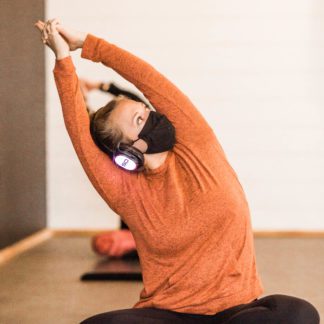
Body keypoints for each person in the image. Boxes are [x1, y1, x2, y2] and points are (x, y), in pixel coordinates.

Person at [34, 19, 320, 324]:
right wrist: (63, 59)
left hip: (239, 312)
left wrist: (91, 44)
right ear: (127, 151)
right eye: (138, 121)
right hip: (171, 315)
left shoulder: (197, 146)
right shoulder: (125, 190)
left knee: (299, 313)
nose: (150, 114)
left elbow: (151, 81)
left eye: (144, 110)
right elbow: (80, 133)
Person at [80, 78, 142, 258]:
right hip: (138, 227)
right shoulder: (109, 144)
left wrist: (100, 86)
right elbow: (84, 125)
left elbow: (136, 102)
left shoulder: (147, 134)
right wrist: (84, 97)